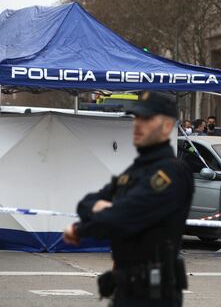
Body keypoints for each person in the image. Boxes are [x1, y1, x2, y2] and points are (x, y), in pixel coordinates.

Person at [63, 91, 194, 306]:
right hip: (125, 288)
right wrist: (101, 208)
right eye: (137, 118)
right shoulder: (134, 171)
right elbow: (85, 203)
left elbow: (122, 216)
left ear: (168, 126)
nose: (138, 124)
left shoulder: (171, 172)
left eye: (147, 119)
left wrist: (80, 230)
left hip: (155, 295)